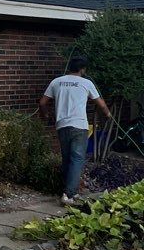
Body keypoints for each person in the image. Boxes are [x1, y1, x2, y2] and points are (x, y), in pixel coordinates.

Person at [39, 56, 110, 204]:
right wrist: (108, 114)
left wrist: (45, 115)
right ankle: (68, 194)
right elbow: (101, 104)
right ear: (83, 69)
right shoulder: (86, 82)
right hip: (79, 125)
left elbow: (43, 102)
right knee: (77, 159)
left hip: (62, 125)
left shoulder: (56, 82)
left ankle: (70, 190)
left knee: (67, 158)